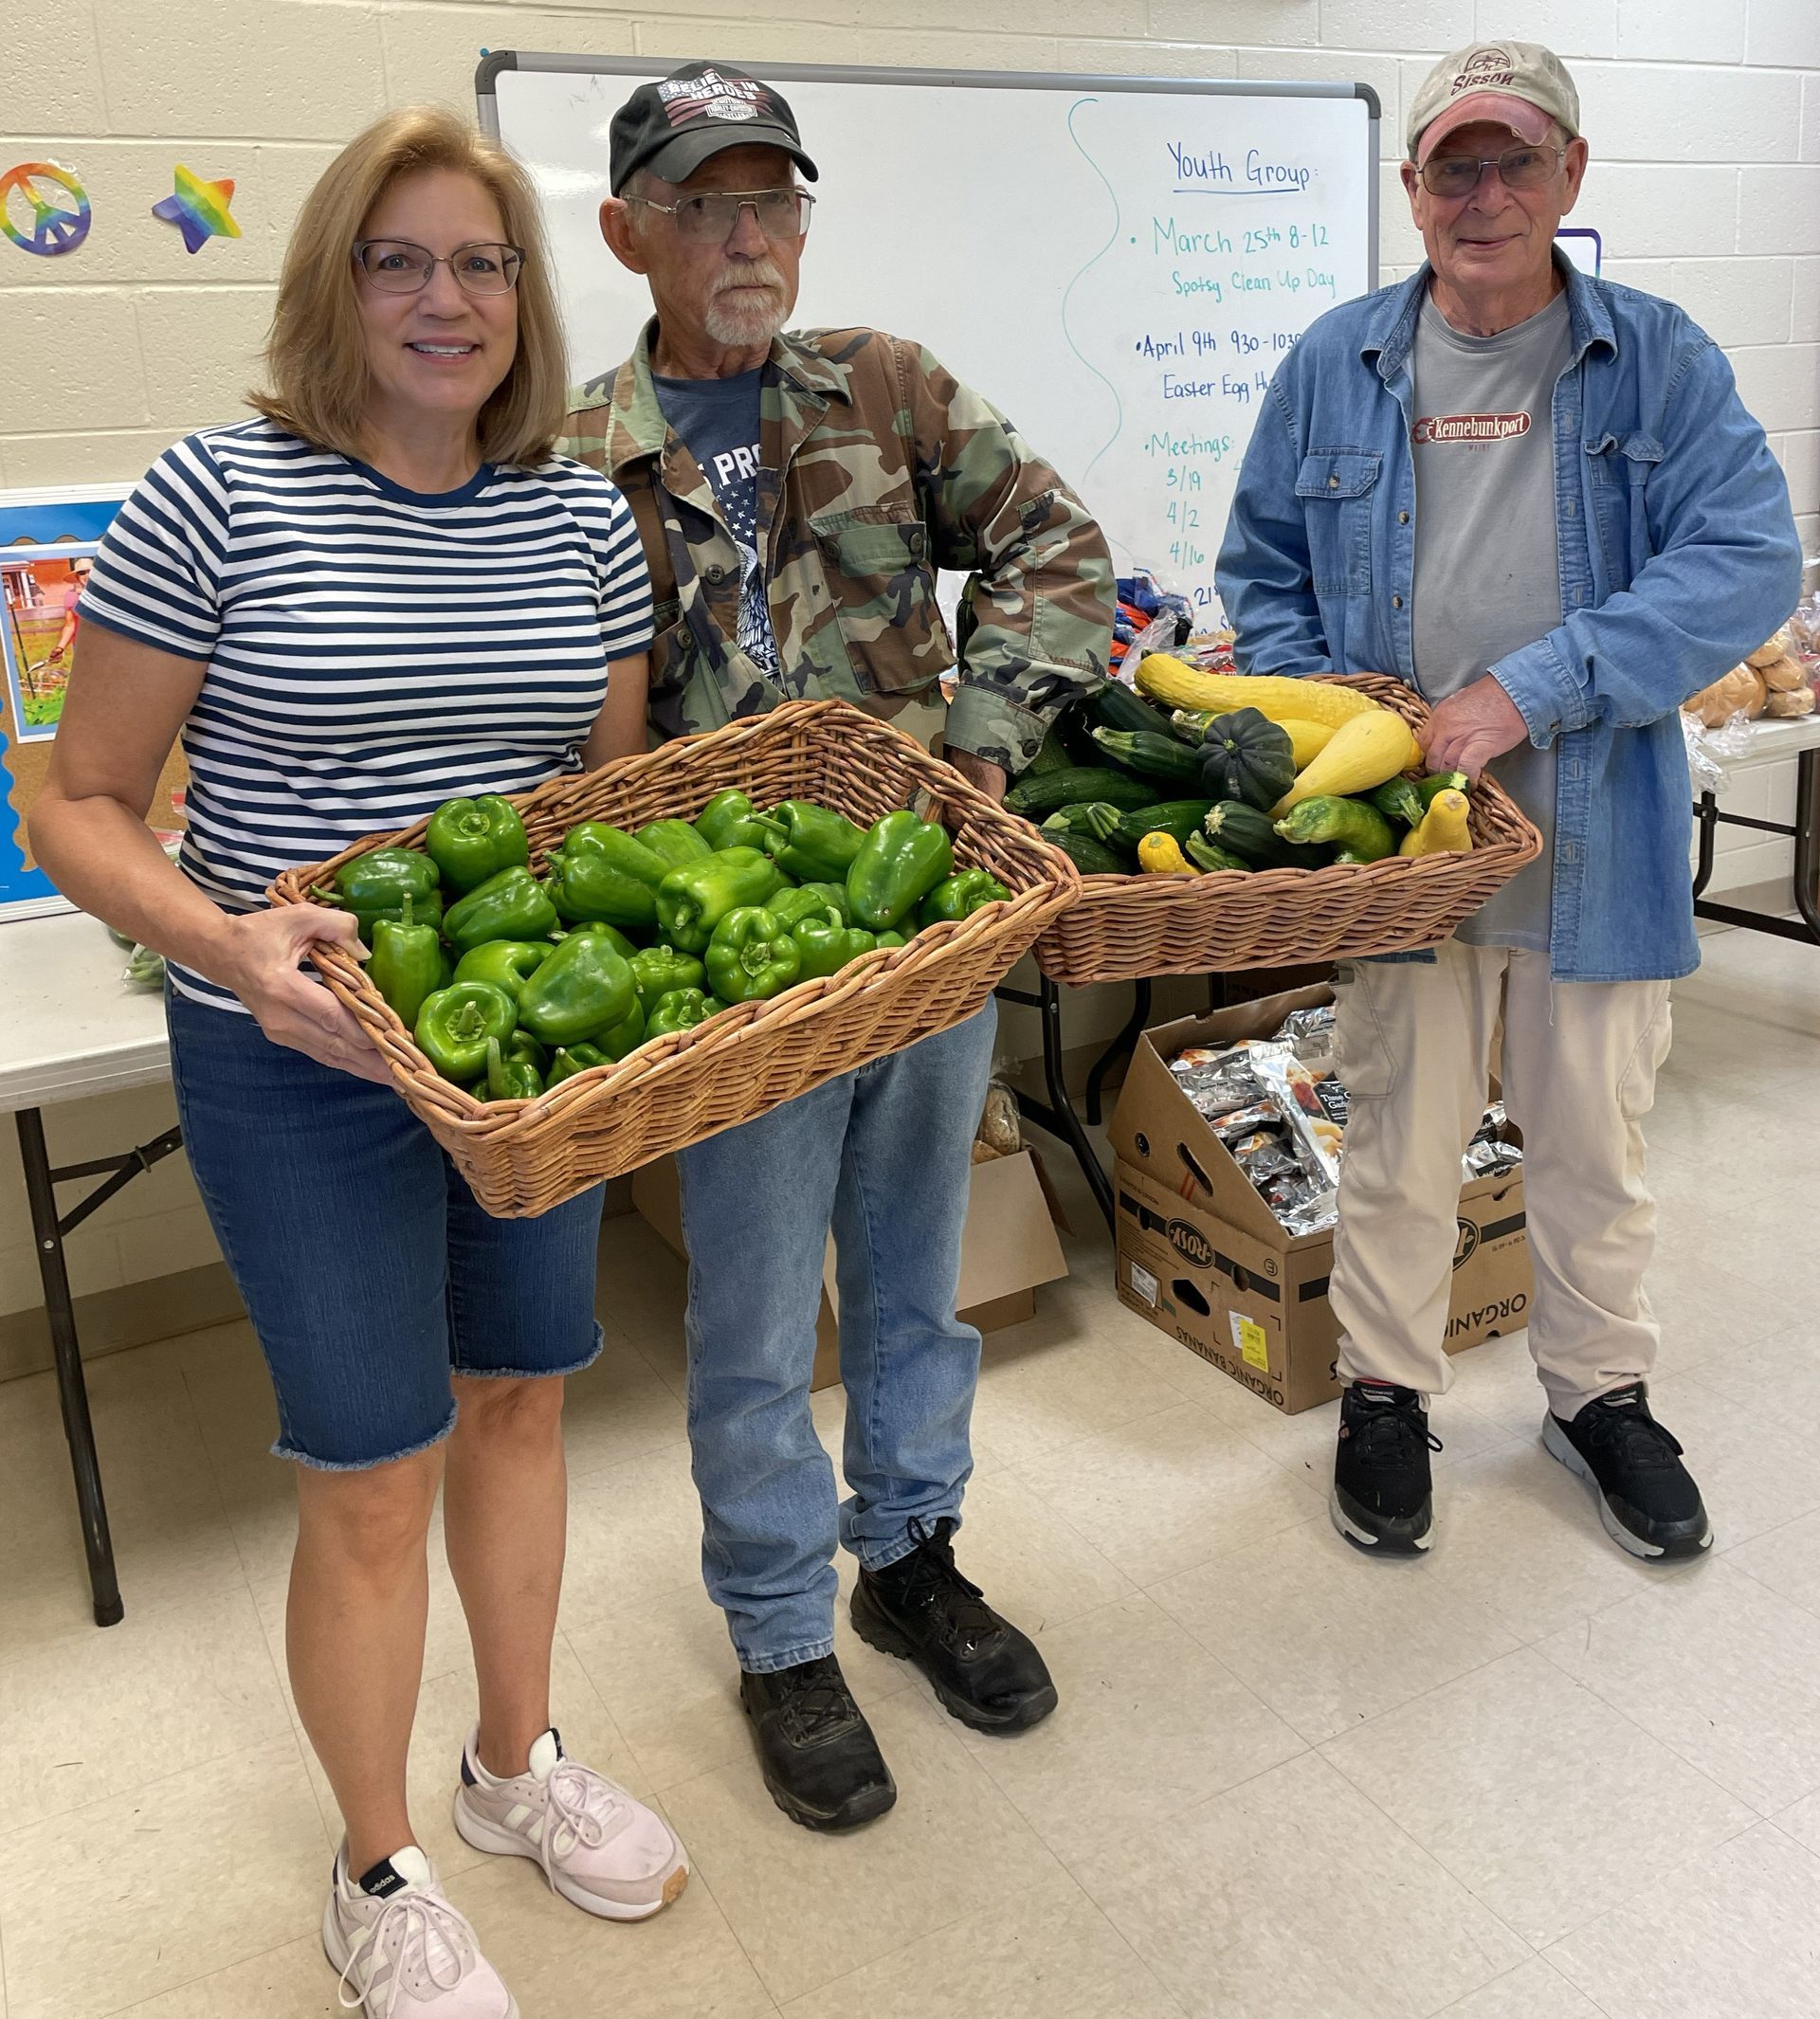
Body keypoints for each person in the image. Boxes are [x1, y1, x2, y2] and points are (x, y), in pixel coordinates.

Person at [30, 108, 687, 2019]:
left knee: (524, 1408)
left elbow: (601, 808)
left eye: (479, 261)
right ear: (334, 282)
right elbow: (74, 802)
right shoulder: (216, 493)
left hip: (519, 1073)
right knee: (370, 1474)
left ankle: (514, 1767)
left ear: (521, 298)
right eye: (396, 259)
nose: (444, 296)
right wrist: (231, 942)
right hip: (298, 1059)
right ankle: (377, 1860)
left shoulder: (579, 514)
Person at [560, 62, 1116, 1830]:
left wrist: (982, 746)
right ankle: (784, 1630)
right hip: (737, 963)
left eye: (773, 202)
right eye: (705, 204)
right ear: (625, 230)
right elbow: (567, 723)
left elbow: (1059, 545)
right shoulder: (578, 450)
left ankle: (911, 1554)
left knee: (913, 1263)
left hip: (923, 921)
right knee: (746, 1309)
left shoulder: (886, 383)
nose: (747, 237)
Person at [1216, 41, 1802, 1562]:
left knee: (1592, 1145)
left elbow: (1745, 562)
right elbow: (1262, 573)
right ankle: (1387, 1393)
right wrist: (1330, 720)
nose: (1484, 197)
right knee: (1401, 1135)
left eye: (1515, 163)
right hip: (1404, 849)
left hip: (1597, 832)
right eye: (1453, 167)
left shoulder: (1656, 358)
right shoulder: (1333, 364)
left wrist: (1525, 690)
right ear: (1411, 190)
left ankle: (1599, 1394)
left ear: (1570, 178)